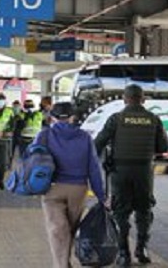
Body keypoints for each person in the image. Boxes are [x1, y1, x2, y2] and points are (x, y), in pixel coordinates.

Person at [94, 84, 168, 267]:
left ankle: (123, 254)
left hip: (120, 172)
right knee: (144, 210)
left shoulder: (116, 119)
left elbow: (97, 143)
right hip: (144, 172)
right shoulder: (153, 119)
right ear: (143, 99)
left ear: (124, 99)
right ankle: (141, 249)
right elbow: (164, 148)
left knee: (120, 212)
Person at [37, 102, 105, 268]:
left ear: (52, 117)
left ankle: (61, 265)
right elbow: (94, 168)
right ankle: (63, 263)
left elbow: (31, 159)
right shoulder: (85, 137)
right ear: (73, 117)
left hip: (52, 188)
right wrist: (101, 196)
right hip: (78, 190)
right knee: (70, 229)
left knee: (57, 229)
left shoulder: (44, 135)